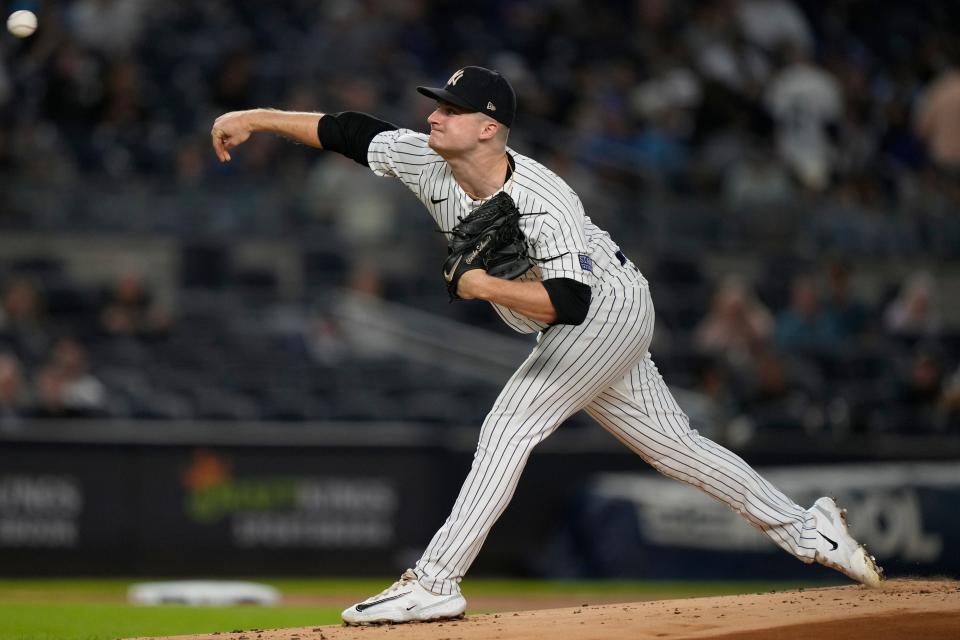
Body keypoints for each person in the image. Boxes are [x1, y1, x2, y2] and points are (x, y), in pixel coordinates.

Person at [210, 66, 883, 625]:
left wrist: (480, 285)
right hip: (589, 316)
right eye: (437, 105)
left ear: (489, 127)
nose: (435, 116)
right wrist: (255, 116)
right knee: (680, 450)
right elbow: (347, 132)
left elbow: (571, 303)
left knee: (509, 425)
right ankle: (809, 529)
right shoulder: (425, 157)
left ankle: (437, 580)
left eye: (452, 108)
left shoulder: (542, 199)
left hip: (604, 309)